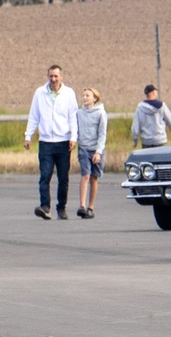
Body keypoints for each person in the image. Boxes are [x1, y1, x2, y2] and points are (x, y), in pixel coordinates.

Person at [22, 64, 79, 221]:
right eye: (51, 76)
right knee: (45, 175)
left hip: (63, 141)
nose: (53, 79)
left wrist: (73, 137)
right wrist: (28, 136)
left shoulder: (68, 94)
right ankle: (45, 207)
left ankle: (61, 208)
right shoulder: (40, 93)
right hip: (46, 142)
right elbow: (34, 115)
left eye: (56, 76)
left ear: (61, 76)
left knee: (63, 178)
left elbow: (73, 117)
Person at [74, 87, 108, 219]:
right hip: (83, 147)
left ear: (94, 98)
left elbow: (102, 134)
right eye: (84, 95)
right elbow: (75, 129)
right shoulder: (79, 113)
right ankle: (82, 206)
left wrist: (98, 152)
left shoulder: (101, 113)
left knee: (94, 177)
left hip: (96, 149)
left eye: (88, 95)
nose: (85, 98)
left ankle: (90, 207)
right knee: (85, 175)